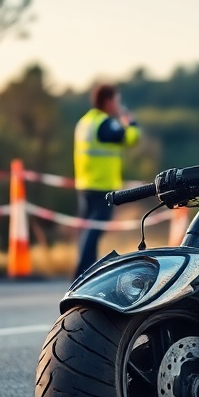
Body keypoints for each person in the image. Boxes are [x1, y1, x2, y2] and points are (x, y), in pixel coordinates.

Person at [73, 83, 141, 276]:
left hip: (85, 183)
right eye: (117, 100)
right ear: (108, 101)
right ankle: (82, 270)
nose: (118, 104)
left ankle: (85, 269)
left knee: (87, 229)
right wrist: (131, 122)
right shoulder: (105, 123)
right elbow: (129, 138)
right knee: (94, 229)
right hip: (102, 185)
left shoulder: (85, 122)